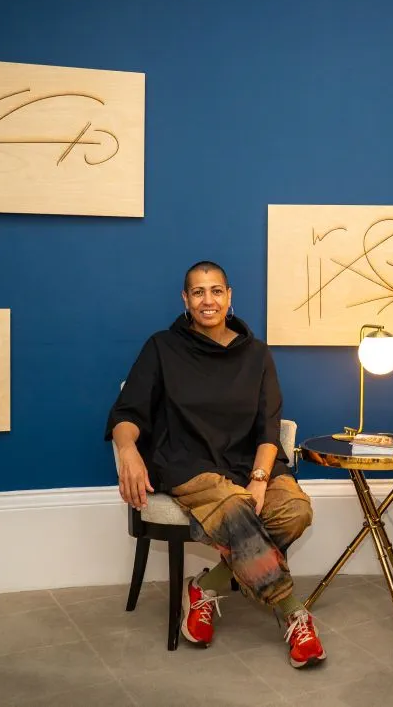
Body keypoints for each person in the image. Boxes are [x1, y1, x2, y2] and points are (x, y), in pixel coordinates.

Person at [105, 260, 325, 669]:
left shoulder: (256, 354)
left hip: (247, 462)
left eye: (216, 290)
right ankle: (294, 612)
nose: (208, 300)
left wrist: (260, 478)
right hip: (188, 463)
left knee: (295, 510)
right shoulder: (162, 347)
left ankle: (206, 586)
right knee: (238, 509)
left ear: (229, 296)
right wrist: (129, 450)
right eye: (198, 292)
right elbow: (127, 412)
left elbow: (268, 426)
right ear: (185, 299)